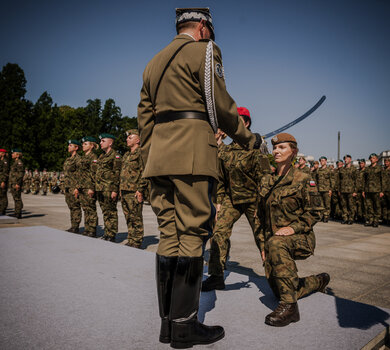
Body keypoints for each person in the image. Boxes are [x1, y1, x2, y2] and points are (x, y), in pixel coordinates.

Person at [138, 7, 262, 348]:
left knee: (168, 235)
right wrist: (249, 139)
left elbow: (144, 120)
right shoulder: (205, 50)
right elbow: (220, 105)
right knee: (193, 233)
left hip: (159, 158)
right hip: (193, 151)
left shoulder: (153, 62)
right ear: (203, 26)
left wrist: (150, 159)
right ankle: (184, 327)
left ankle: (167, 324)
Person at [258, 133, 329, 327]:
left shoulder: (303, 179)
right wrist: (262, 245)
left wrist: (292, 227)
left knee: (276, 243)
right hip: (273, 242)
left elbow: (315, 212)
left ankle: (290, 309)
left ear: (294, 152)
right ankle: (318, 281)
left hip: (300, 237)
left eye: (282, 148)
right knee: (280, 288)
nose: (276, 151)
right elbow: (261, 218)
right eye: (275, 148)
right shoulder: (267, 180)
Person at [202, 107, 270, 291]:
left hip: (253, 199)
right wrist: (219, 201)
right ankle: (216, 276)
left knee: (263, 238)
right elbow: (222, 178)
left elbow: (265, 177)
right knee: (218, 234)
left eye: (236, 120)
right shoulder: (227, 150)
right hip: (232, 200)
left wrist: (261, 204)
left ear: (246, 123)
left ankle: (276, 278)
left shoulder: (256, 145)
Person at [120, 129, 148, 248]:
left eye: (130, 137)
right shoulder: (126, 155)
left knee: (136, 217)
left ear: (138, 140)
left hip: (134, 190)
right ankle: (131, 238)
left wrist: (140, 189)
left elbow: (144, 172)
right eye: (127, 138)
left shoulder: (141, 153)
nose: (127, 139)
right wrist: (120, 189)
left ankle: (137, 241)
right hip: (125, 190)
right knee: (128, 216)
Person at [95, 133, 121, 242]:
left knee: (111, 212)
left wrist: (115, 190)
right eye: (101, 141)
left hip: (109, 189)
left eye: (103, 141)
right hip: (101, 189)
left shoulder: (115, 156)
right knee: (105, 212)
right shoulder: (101, 156)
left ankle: (112, 234)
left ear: (110, 143)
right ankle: (107, 232)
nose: (100, 143)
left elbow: (117, 174)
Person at [75, 136, 99, 237]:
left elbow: (94, 174)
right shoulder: (82, 158)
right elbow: (79, 173)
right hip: (82, 186)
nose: (83, 146)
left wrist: (92, 187)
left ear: (92, 146)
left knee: (91, 208)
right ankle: (87, 228)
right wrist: (77, 186)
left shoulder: (93, 157)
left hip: (88, 186)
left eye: (85, 144)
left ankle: (92, 229)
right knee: (85, 208)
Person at [63, 140, 82, 233]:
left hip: (74, 187)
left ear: (76, 148)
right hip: (67, 186)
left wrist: (77, 188)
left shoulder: (78, 159)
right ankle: (72, 225)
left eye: (70, 145)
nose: (68, 147)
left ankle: (75, 226)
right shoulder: (68, 159)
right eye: (68, 145)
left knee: (75, 207)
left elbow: (80, 175)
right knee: (71, 206)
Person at [363, 153, 384, 227]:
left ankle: (376, 220)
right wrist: (363, 190)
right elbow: (364, 180)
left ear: (377, 159)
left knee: (377, 206)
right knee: (369, 206)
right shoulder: (368, 169)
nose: (372, 159)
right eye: (371, 158)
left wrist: (382, 191)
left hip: (376, 190)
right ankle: (371, 220)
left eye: (374, 158)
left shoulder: (380, 168)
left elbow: (383, 180)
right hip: (368, 190)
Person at [338, 155, 357, 224]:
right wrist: (339, 190)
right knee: (344, 205)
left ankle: (351, 218)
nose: (345, 160)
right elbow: (339, 180)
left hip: (351, 190)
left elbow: (356, 180)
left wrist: (355, 191)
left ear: (350, 160)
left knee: (351, 205)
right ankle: (345, 218)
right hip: (343, 190)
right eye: (345, 159)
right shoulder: (342, 169)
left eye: (347, 159)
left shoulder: (354, 169)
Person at [315, 156, 333, 222]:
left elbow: (332, 180)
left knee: (327, 204)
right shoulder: (318, 170)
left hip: (326, 189)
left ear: (325, 161)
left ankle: (326, 216)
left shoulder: (329, 170)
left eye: (323, 160)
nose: (321, 162)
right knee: (321, 204)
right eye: (320, 161)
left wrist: (330, 189)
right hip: (319, 189)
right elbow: (316, 180)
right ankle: (322, 216)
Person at [9, 149, 25, 219]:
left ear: (17, 155)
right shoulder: (15, 162)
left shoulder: (19, 163)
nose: (12, 154)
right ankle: (16, 212)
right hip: (13, 183)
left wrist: (18, 183)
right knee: (15, 198)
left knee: (17, 198)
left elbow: (20, 174)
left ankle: (18, 213)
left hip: (16, 183)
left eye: (13, 153)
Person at [0, 148, 10, 215]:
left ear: (3, 153)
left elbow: (5, 172)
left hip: (2, 181)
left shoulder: (5, 161)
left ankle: (3, 210)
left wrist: (3, 181)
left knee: (3, 196)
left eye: (0, 152)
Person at [383, 158, 390, 225]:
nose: (386, 163)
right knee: (384, 205)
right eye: (385, 162)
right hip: (384, 190)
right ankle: (385, 219)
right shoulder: (383, 170)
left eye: (387, 162)